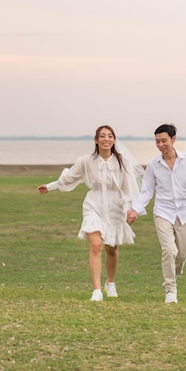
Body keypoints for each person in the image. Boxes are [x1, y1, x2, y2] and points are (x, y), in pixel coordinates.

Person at [37, 125, 141, 302]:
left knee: (112, 248)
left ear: (114, 140)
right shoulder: (86, 161)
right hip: (93, 205)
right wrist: (50, 186)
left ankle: (110, 282)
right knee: (95, 244)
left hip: (116, 207)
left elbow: (127, 188)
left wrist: (131, 209)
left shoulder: (122, 161)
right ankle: (97, 290)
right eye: (102, 136)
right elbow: (70, 177)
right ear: (96, 140)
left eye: (110, 136)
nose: (106, 139)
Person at [127, 123, 186, 304]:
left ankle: (173, 274)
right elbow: (146, 191)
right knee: (169, 250)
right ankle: (170, 290)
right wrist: (135, 210)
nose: (160, 144)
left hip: (183, 212)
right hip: (162, 212)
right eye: (157, 141)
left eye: (164, 140)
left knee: (182, 254)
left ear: (173, 139)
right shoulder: (154, 164)